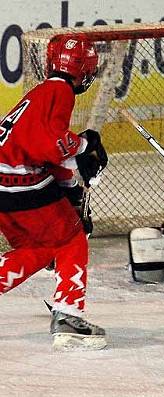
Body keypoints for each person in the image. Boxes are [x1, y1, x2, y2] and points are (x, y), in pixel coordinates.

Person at [0, 35, 107, 351]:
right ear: (85, 69)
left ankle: (67, 313)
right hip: (22, 186)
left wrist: (71, 188)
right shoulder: (60, 91)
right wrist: (85, 146)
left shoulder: (41, 93)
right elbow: (49, 146)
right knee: (71, 238)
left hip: (5, 186)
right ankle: (69, 317)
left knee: (38, 248)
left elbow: (46, 149)